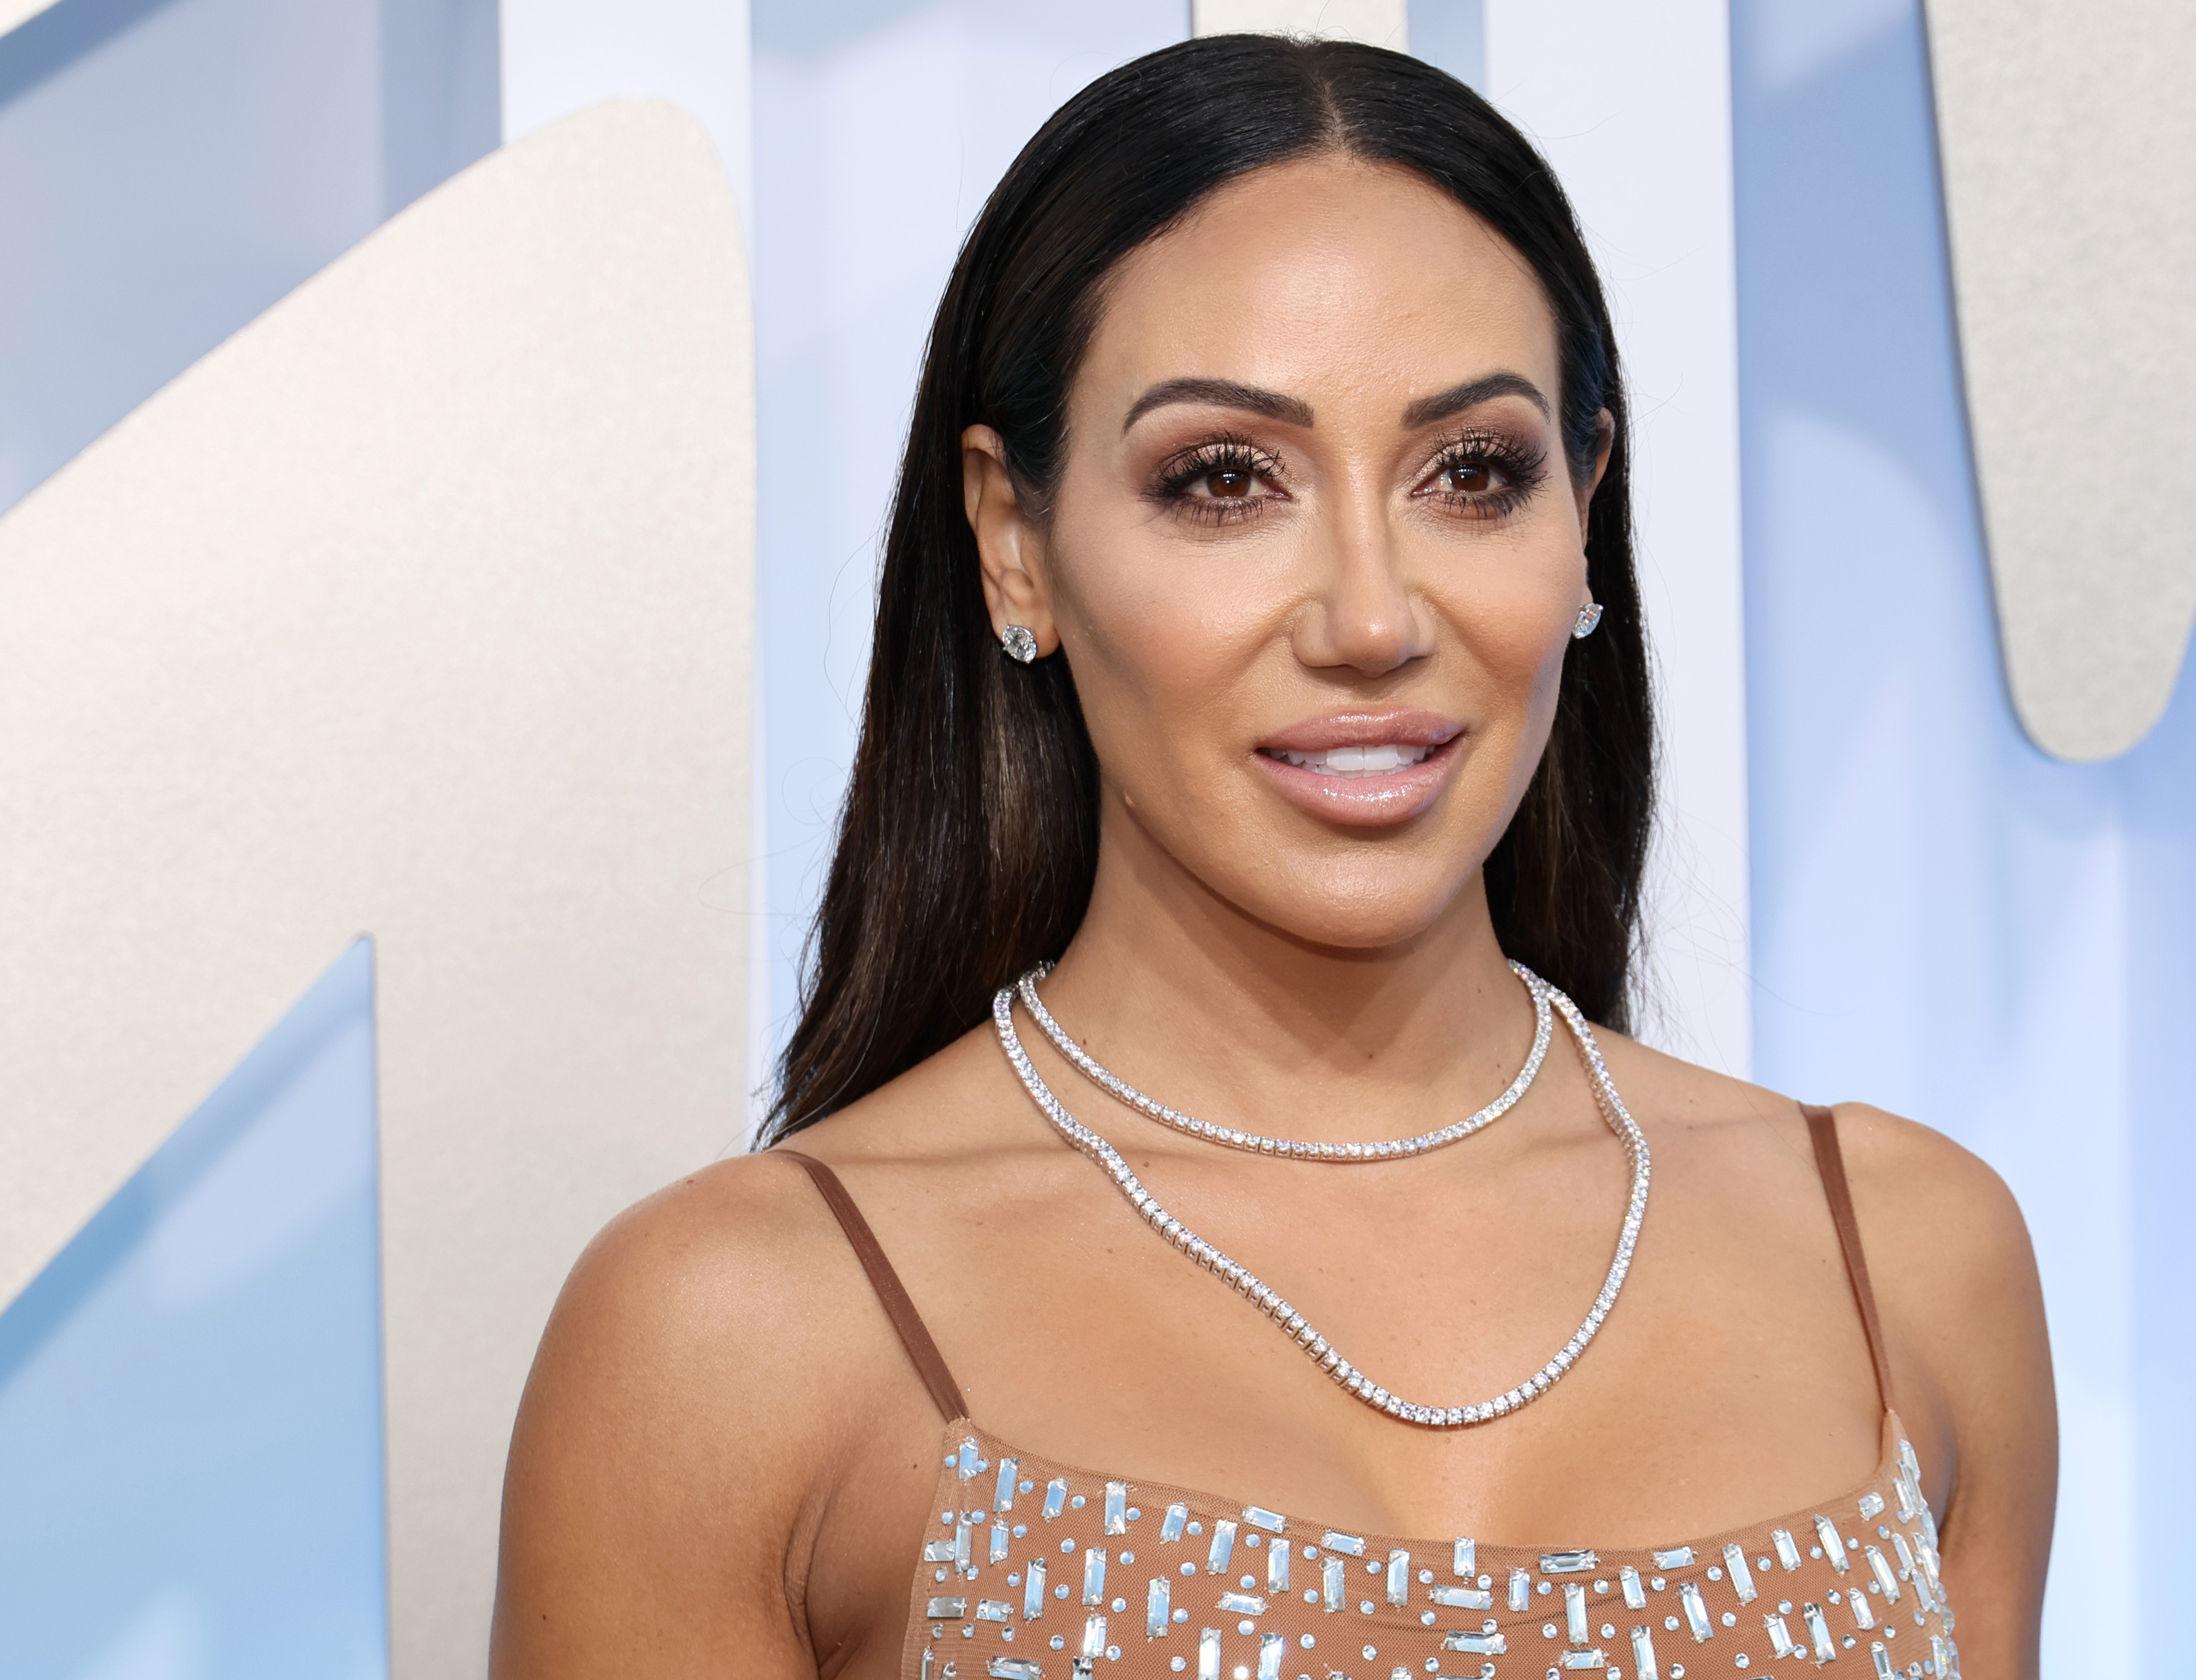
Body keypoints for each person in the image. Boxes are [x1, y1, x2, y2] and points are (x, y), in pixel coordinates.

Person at [493, 35, 2054, 1680]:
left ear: (1585, 506)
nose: (1372, 619)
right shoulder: (737, 1330)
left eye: (1473, 474)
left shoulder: (1905, 1260)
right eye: (1225, 482)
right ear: (1014, 539)